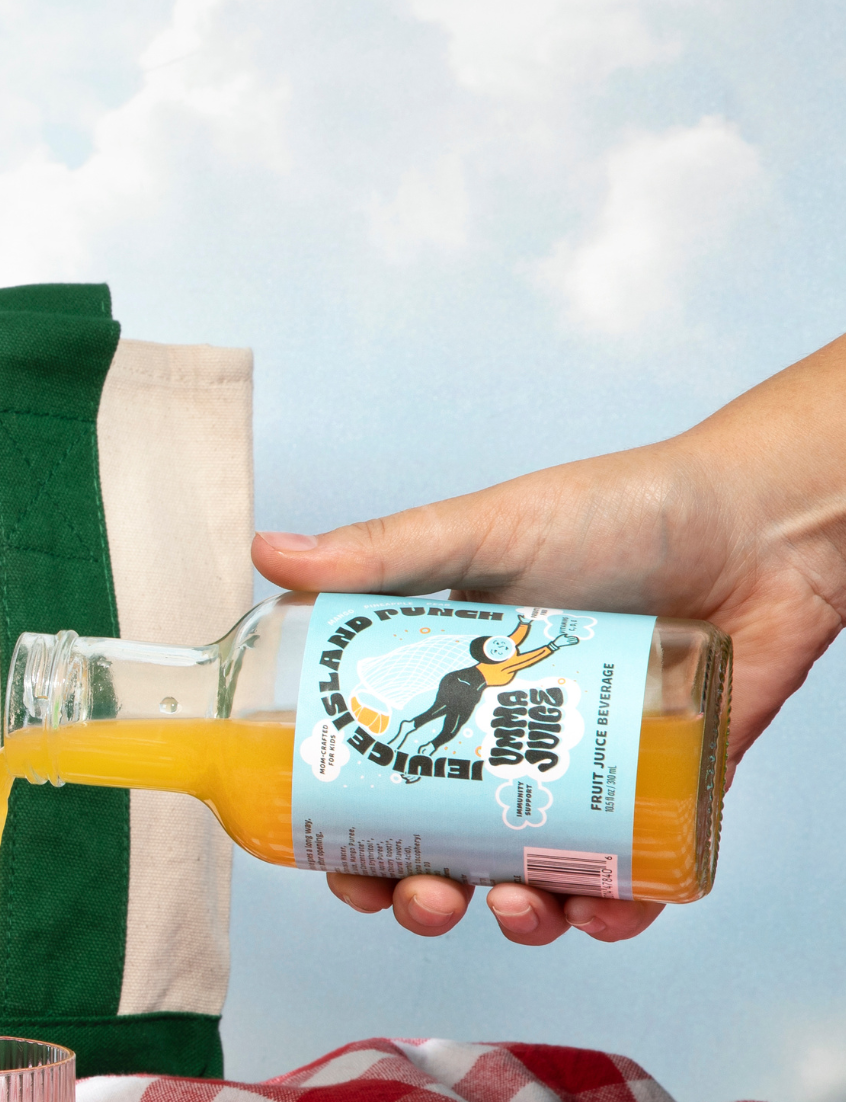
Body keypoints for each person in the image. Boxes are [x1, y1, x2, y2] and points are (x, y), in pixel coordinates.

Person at [250, 331, 846, 947]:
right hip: (468, 689)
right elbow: (524, 653)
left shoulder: (488, 666)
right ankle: (405, 747)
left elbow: (523, 651)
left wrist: (772, 527)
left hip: (476, 687)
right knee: (446, 730)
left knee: (442, 728)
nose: (512, 650)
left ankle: (403, 747)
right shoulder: (492, 670)